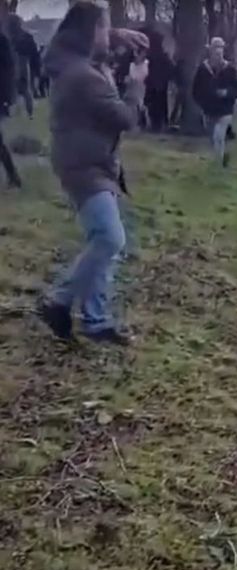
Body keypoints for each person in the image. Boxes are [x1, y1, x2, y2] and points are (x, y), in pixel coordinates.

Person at [36, 2, 148, 346]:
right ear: (88, 33)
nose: (107, 35)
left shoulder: (71, 60)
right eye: (103, 28)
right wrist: (136, 83)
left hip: (90, 163)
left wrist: (115, 34)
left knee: (105, 240)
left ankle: (96, 321)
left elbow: (92, 50)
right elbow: (125, 118)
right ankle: (59, 301)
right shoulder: (83, 76)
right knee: (110, 238)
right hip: (85, 168)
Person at [192, 37, 237, 167]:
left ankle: (218, 164)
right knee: (213, 137)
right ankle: (222, 156)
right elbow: (195, 90)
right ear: (210, 51)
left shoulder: (230, 69)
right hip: (209, 109)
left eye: (220, 50)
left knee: (218, 135)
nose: (218, 53)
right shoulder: (203, 69)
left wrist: (227, 93)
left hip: (225, 109)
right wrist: (202, 102)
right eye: (215, 50)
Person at [0, 26, 22, 189]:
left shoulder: (2, 40)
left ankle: (13, 176)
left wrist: (7, 97)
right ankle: (13, 176)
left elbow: (9, 70)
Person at [7, 16, 40, 118]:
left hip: (19, 63)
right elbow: (34, 54)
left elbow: (34, 54)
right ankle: (28, 113)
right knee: (25, 90)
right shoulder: (25, 36)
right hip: (22, 63)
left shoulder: (10, 37)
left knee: (21, 89)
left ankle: (16, 112)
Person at [142, 29, 173, 133]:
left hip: (155, 85)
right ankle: (157, 125)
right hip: (157, 85)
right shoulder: (160, 56)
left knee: (155, 106)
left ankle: (157, 125)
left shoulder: (154, 56)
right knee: (157, 107)